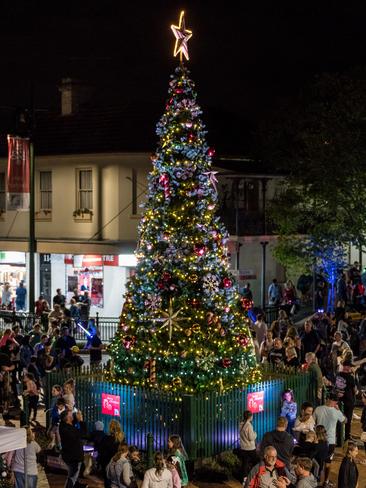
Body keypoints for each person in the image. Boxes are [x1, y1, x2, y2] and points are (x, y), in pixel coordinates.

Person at [313, 394, 346, 485]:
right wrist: (339, 411)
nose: (335, 402)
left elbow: (313, 422)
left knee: (318, 461)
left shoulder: (318, 409)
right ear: (329, 399)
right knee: (328, 463)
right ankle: (325, 481)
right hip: (330, 441)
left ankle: (318, 480)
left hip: (318, 440)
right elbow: (344, 421)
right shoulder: (336, 411)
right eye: (334, 401)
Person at [59, 409, 84, 488]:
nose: (73, 415)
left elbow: (72, 423)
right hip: (74, 457)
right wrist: (81, 421)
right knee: (72, 477)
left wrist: (78, 418)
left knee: (72, 475)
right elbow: (83, 434)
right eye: (71, 415)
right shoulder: (69, 429)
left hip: (69, 455)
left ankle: (76, 485)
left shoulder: (63, 425)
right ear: (68, 418)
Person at [99, 419, 126, 488]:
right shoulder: (122, 439)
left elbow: (101, 451)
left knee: (108, 483)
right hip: (118, 464)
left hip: (107, 464)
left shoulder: (105, 438)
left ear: (110, 428)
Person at [335, 359, 357, 440]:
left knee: (339, 418)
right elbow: (355, 390)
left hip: (340, 401)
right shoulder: (351, 377)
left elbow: (337, 387)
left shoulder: (338, 375)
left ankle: (339, 436)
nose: (351, 368)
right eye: (350, 366)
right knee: (348, 419)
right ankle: (347, 436)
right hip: (349, 401)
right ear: (347, 367)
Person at [239, 410, 257, 477]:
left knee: (244, 463)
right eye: (252, 416)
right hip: (250, 448)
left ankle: (244, 478)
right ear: (250, 416)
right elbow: (251, 438)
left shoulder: (241, 424)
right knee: (255, 462)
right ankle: (255, 475)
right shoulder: (249, 425)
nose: (252, 417)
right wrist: (255, 434)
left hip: (243, 447)